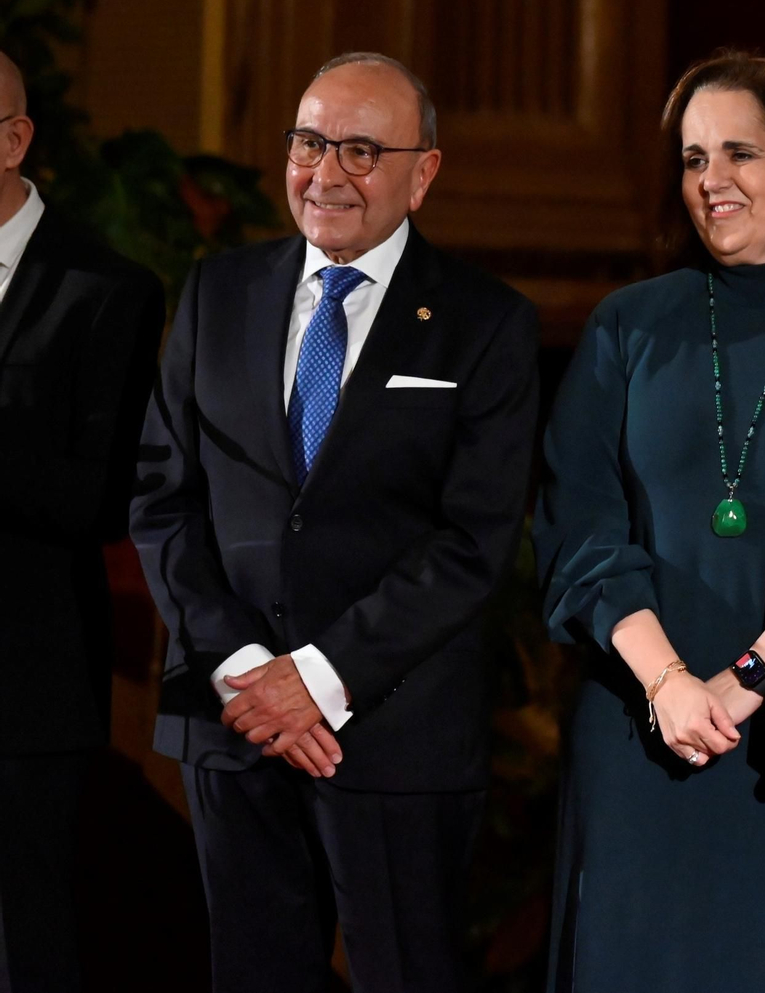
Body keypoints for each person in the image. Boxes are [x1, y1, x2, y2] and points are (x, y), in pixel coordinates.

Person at [131, 52, 541, 992]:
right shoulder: (216, 292)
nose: (326, 174)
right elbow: (163, 497)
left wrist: (317, 679)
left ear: (423, 172)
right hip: (234, 724)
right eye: (311, 143)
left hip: (395, 732)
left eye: (362, 149)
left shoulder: (485, 323)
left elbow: (474, 538)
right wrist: (245, 671)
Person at [534, 51, 765, 993]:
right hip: (640, 729)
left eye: (739, 152)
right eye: (694, 158)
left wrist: (741, 682)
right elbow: (578, 523)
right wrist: (668, 683)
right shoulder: (627, 325)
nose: (712, 180)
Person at [0, 52, 164, 992]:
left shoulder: (107, 290)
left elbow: (99, 497)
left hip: (25, 688)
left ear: (16, 141)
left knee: (26, 947)